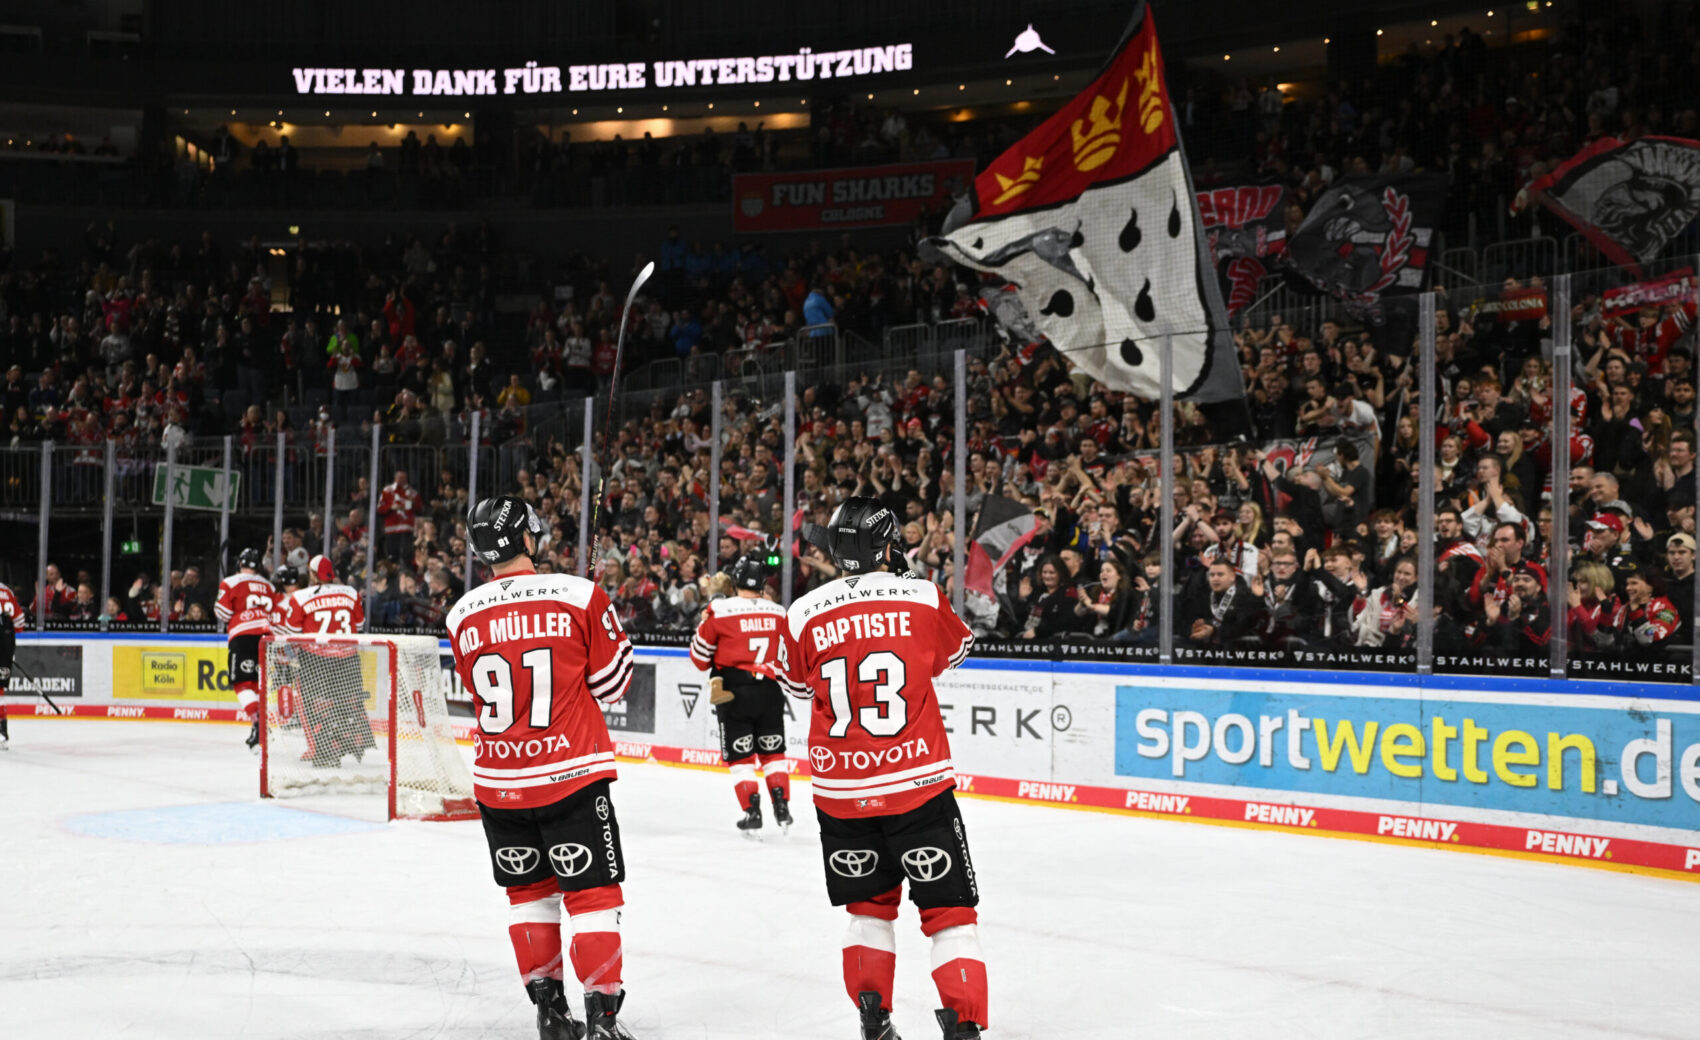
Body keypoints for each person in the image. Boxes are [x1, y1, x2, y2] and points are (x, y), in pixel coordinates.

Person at [778, 497, 986, 1040]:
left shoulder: (803, 610)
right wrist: (906, 581)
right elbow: (957, 652)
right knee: (949, 914)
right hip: (917, 786)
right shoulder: (921, 594)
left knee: (868, 910)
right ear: (889, 545)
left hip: (841, 790)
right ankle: (964, 1025)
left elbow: (796, 685)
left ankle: (874, 1020)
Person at [447, 495, 637, 1040]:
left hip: (498, 783)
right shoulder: (578, 594)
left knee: (528, 895)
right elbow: (613, 684)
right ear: (528, 538)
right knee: (592, 895)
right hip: (570, 775)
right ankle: (602, 1020)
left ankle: (550, 1016)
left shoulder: (461, 613)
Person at [689, 553, 792, 833]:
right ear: (763, 583)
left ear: (735, 581)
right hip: (770, 690)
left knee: (741, 758)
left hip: (734, 692)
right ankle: (782, 807)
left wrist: (703, 622)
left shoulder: (720, 610)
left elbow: (700, 658)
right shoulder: (779, 612)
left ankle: (752, 811)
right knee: (773, 753)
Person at [276, 555, 373, 768]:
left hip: (316, 660)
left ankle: (320, 749)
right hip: (348, 659)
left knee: (312, 705)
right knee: (346, 703)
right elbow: (359, 623)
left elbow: (292, 631)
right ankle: (352, 742)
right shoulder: (350, 593)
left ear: (312, 574)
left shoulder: (301, 597)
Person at [215, 547, 277, 750]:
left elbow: (223, 613)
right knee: (259, 684)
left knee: (242, 683)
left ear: (240, 563)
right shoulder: (269, 585)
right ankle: (259, 728)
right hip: (267, 637)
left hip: (243, 636)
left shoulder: (230, 582)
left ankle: (258, 724)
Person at [378, 469, 423, 564]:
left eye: (404, 478)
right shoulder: (387, 490)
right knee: (392, 555)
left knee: (406, 555)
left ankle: (406, 571)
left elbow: (420, 509)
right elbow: (379, 509)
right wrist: (391, 507)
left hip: (407, 528)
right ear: (395, 478)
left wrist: (413, 503)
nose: (402, 480)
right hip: (391, 528)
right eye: (400, 477)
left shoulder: (412, 492)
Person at [0, 580, 17, 746]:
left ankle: (1, 730)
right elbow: (19, 622)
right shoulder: (7, 591)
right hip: (5, 644)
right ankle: (2, 731)